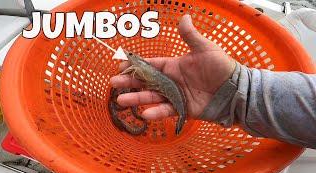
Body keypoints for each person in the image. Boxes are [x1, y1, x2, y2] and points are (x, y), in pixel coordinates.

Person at [111, 14, 316, 149]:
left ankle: (182, 116)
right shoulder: (142, 68)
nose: (130, 58)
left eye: (132, 57)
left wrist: (236, 90)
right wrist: (237, 87)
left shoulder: (144, 69)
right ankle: (184, 112)